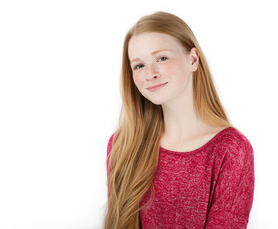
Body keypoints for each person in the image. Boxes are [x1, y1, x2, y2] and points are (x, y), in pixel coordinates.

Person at [105, 11, 254, 229]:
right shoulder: (122, 145)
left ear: (193, 59)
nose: (150, 73)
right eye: (139, 65)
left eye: (161, 58)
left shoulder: (230, 149)